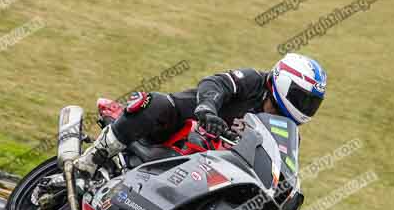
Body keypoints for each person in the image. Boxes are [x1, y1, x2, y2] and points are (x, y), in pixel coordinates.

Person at [74, 53, 327, 176]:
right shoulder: (253, 81)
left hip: (211, 167)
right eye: (302, 97)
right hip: (182, 127)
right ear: (283, 83)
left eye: (312, 102)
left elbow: (279, 168)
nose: (305, 106)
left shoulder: (285, 131)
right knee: (156, 103)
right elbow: (215, 83)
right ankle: (92, 158)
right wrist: (207, 109)